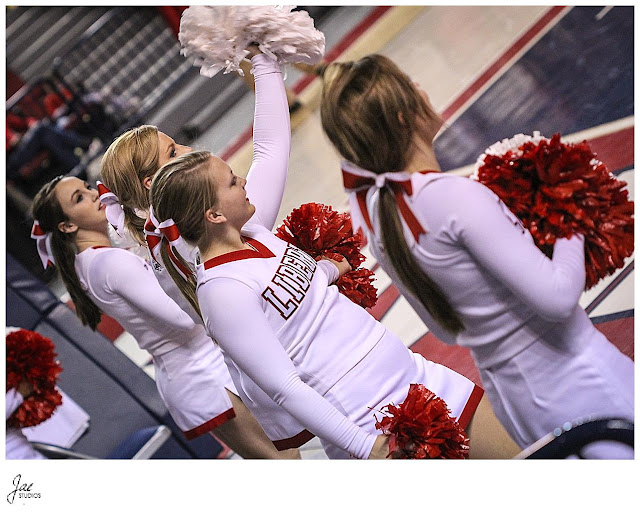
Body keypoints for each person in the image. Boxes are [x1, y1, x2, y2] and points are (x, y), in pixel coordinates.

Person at [318, 54, 635, 458]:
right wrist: (567, 209)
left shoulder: (381, 217)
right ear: (403, 117)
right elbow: (556, 298)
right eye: (411, 83)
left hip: (513, 404)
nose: (422, 89)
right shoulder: (451, 197)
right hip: (578, 380)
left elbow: (446, 329)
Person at [148, 148, 520, 460]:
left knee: (528, 459)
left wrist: (329, 267)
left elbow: (295, 291)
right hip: (372, 418)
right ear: (213, 215)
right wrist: (367, 448)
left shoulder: (254, 234)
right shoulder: (222, 292)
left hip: (415, 374)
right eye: (231, 182)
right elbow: (284, 387)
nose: (243, 181)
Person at [100, 48, 325, 453]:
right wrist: (265, 62)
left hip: (271, 369)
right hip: (297, 368)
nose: (187, 149)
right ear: (153, 183)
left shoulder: (165, 236)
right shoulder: (203, 227)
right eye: (173, 152)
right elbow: (271, 149)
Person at [30, 175, 298, 459]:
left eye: (86, 187)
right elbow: (183, 317)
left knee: (281, 459)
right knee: (285, 459)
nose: (94, 194)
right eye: (79, 197)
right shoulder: (110, 263)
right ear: (68, 225)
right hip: (205, 375)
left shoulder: (88, 263)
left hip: (192, 375)